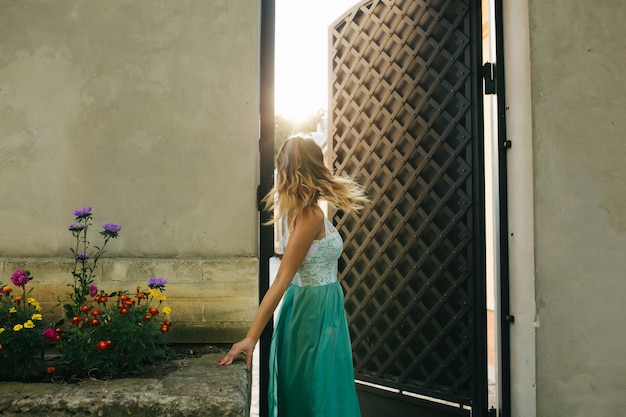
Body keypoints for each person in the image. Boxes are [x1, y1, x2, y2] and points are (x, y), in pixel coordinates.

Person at [219, 135, 368, 417]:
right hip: (312, 316)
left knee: (321, 392)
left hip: (319, 311)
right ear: (311, 169)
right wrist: (251, 338)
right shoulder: (309, 215)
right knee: (316, 396)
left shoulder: (304, 212)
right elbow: (281, 281)